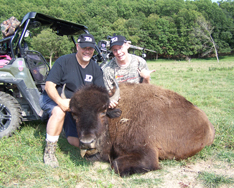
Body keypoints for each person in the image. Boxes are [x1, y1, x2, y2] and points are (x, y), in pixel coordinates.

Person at [40, 34, 105, 168]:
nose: (87, 51)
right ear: (77, 47)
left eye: (90, 48)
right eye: (84, 48)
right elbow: (49, 86)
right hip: (54, 98)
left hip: (78, 106)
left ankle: (87, 141)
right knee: (59, 112)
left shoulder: (95, 68)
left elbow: (100, 92)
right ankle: (49, 151)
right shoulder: (63, 61)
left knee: (73, 141)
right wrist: (60, 101)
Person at [102, 35, 155, 108]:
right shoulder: (108, 69)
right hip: (120, 105)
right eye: (115, 50)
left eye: (120, 48)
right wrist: (110, 101)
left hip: (139, 102)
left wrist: (146, 78)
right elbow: (109, 93)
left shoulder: (140, 62)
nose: (119, 52)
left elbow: (146, 90)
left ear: (127, 45)